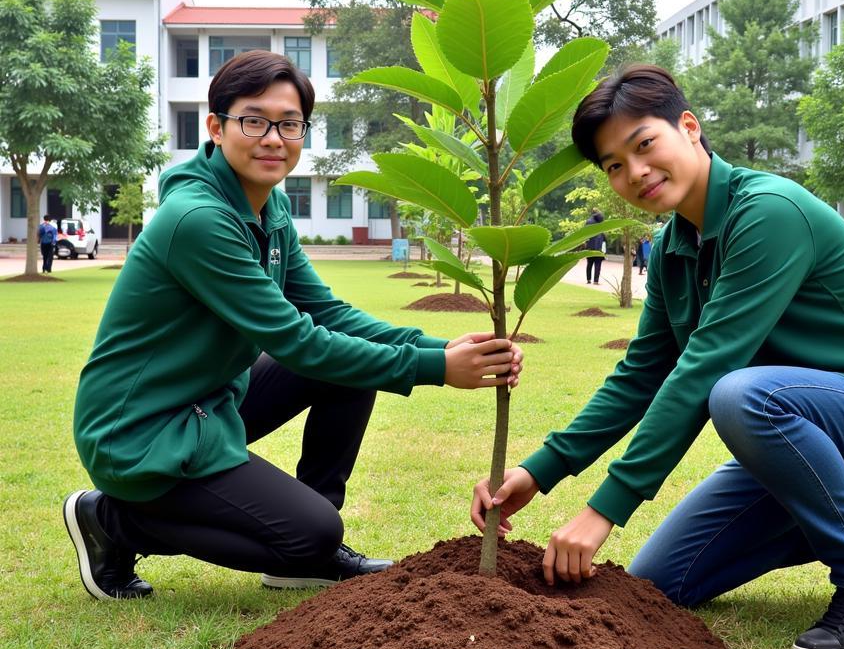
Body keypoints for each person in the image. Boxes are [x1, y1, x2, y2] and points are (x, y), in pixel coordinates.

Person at [472, 64, 844, 649]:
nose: (636, 173)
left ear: (689, 127)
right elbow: (643, 374)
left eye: (644, 144)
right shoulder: (677, 246)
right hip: (800, 430)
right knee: (655, 586)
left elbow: (703, 370)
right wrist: (539, 470)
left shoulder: (770, 213)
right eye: (614, 166)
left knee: (736, 393)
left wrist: (603, 511)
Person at [64, 50, 523, 601]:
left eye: (289, 124)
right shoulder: (198, 220)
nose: (272, 138)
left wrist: (437, 345)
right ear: (216, 127)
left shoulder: (267, 206)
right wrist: (434, 368)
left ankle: (305, 547)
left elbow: (325, 312)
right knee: (315, 534)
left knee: (350, 373)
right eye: (253, 120)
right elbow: (296, 341)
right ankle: (112, 521)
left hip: (208, 403)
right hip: (141, 432)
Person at [584, 209, 606, 284]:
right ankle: (596, 281)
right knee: (598, 265)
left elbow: (584, 234)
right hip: (599, 246)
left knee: (589, 264)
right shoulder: (601, 222)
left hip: (590, 246)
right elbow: (604, 236)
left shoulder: (588, 222)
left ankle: (588, 279)